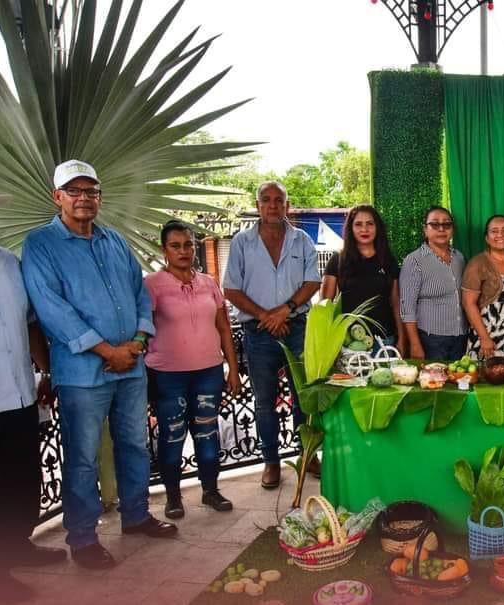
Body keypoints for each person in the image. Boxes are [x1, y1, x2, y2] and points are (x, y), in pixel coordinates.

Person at [21, 160, 177, 570]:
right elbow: (51, 309)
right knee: (83, 456)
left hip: (131, 364)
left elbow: (140, 292)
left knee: (135, 444)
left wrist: (139, 340)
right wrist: (108, 351)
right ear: (58, 197)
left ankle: (137, 515)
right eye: (75, 191)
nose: (84, 198)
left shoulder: (115, 241)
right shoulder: (40, 244)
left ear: (99, 197)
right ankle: (84, 538)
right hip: (81, 373)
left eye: (91, 191)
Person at [223, 181, 321, 490]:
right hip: (258, 332)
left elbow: (312, 282)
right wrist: (267, 316)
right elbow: (231, 289)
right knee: (264, 401)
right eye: (266, 200)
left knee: (303, 398)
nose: (273, 205)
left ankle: (308, 454)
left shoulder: (302, 240)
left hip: (296, 329)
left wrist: (286, 309)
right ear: (258, 204)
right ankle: (271, 461)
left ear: (287, 205)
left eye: (279, 200)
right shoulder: (241, 242)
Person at [145, 221, 241, 519]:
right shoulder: (151, 285)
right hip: (167, 376)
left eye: (188, 244)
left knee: (207, 433)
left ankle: (210, 490)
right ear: (165, 250)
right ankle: (173, 497)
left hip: (208, 372)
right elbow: (142, 330)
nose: (184, 251)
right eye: (176, 246)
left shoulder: (209, 283)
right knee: (172, 436)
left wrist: (233, 369)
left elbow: (224, 327)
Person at [0, 244, 65, 602]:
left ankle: (16, 545)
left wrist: (46, 370)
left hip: (19, 393)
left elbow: (30, 324)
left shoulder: (10, 263)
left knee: (22, 477)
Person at [321, 205, 406, 355]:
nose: (364, 229)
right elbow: (324, 305)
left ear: (377, 227)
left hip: (384, 341)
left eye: (370, 224)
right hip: (349, 343)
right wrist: (328, 341)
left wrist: (402, 338)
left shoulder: (388, 260)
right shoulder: (338, 260)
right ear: (350, 229)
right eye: (358, 224)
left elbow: (395, 302)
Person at [400, 206, 467, 360]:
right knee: (435, 382)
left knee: (458, 381)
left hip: (461, 336)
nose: (441, 229)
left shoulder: (459, 258)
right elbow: (407, 308)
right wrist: (415, 344)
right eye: (435, 224)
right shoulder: (414, 260)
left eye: (447, 224)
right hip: (431, 340)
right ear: (425, 229)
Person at [462, 215, 504, 359]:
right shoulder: (477, 263)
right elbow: (468, 303)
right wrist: (484, 338)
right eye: (494, 231)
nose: (500, 235)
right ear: (486, 237)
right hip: (489, 333)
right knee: (486, 377)